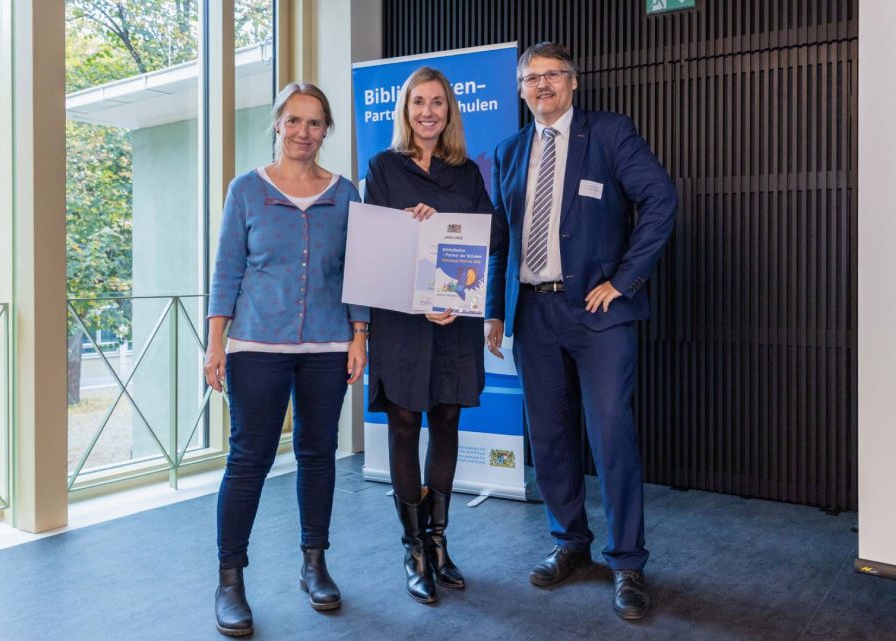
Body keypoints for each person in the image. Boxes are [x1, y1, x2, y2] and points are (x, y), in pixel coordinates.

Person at [484, 42, 677, 621]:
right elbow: (500, 239)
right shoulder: (509, 150)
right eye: (530, 78)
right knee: (549, 435)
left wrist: (625, 279)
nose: (541, 86)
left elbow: (660, 199)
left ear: (572, 82)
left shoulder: (611, 133)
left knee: (612, 433)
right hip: (533, 314)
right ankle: (570, 543)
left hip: (599, 316)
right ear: (519, 91)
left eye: (551, 76)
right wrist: (494, 310)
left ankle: (627, 562)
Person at [204, 82, 369, 637]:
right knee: (248, 460)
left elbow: (357, 271)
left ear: (327, 131)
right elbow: (227, 269)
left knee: (318, 454)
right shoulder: (246, 191)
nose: (303, 132)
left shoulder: (345, 194)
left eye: (315, 123)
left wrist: (359, 334)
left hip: (326, 346)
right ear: (277, 124)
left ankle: (314, 564)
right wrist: (216, 343)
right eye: (293, 121)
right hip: (256, 347)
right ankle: (230, 580)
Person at [362, 65, 506, 604]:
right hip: (402, 319)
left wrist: (442, 226)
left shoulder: (467, 171)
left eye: (438, 103)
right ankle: (413, 549)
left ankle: (439, 543)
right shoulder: (383, 167)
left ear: (450, 111)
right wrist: (408, 226)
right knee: (404, 424)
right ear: (405, 110)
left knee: (446, 419)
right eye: (418, 102)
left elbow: (490, 236)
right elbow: (374, 245)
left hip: (455, 319)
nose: (428, 111)